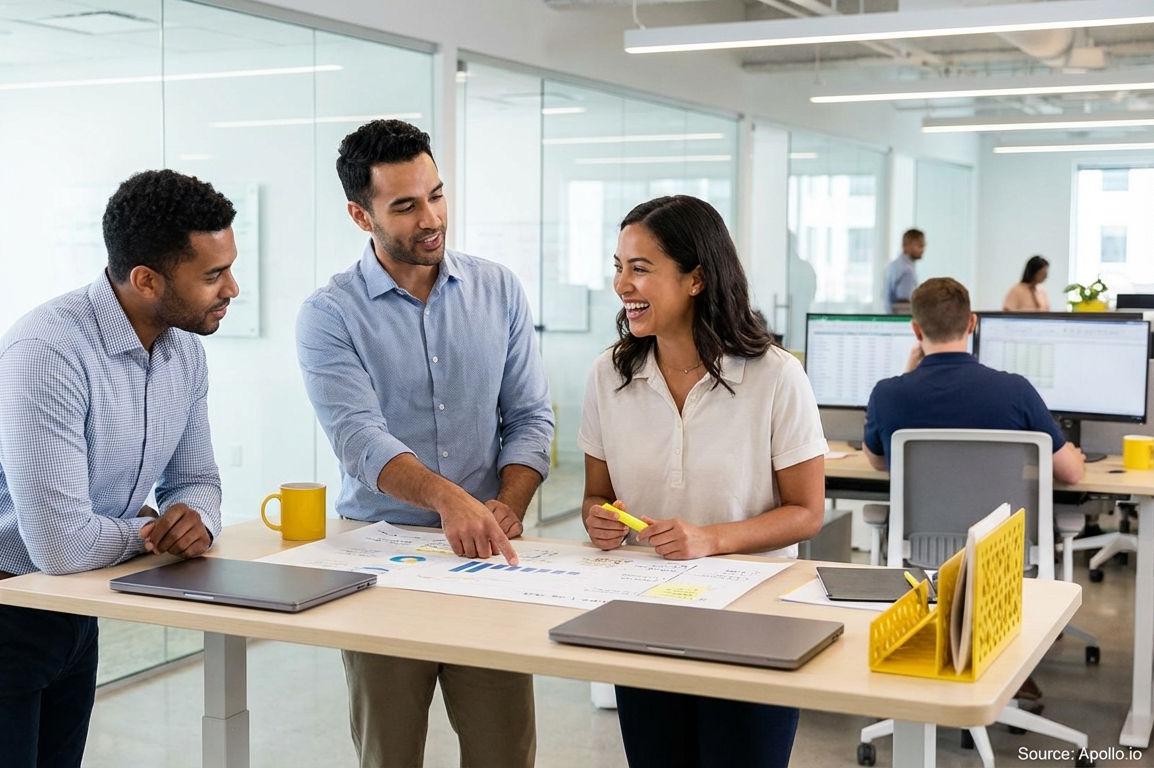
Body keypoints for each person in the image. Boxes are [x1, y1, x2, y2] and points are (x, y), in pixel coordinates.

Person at [0, 169, 234, 768]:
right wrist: (150, 532)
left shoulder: (184, 352)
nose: (232, 287)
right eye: (213, 275)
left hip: (71, 602)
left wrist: (197, 519)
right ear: (146, 280)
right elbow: (59, 543)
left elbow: (197, 480)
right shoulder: (48, 354)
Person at [296, 119, 553, 768]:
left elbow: (529, 417)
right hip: (381, 558)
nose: (431, 217)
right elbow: (359, 438)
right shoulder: (329, 314)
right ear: (362, 215)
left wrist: (507, 503)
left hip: (490, 551)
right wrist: (451, 501)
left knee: (504, 751)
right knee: (391, 753)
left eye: (436, 194)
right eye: (406, 205)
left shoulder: (498, 290)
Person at [580, 195, 826, 768]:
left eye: (640, 268)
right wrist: (599, 516)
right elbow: (598, 494)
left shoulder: (776, 376)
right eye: (617, 267)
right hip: (644, 614)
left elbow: (806, 512)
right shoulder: (607, 374)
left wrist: (710, 538)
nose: (622, 285)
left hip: (754, 620)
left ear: (696, 279)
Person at [864, 277, 1084, 485]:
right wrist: (1074, 455)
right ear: (971, 324)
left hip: (922, 527)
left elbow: (878, 461)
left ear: (916, 330)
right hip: (998, 526)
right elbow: (1071, 474)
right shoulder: (1016, 391)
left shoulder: (886, 395)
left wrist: (908, 374)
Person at [884, 229, 926, 314]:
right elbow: (904, 301)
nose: (922, 249)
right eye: (919, 245)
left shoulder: (895, 264)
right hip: (901, 318)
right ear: (907, 245)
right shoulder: (906, 269)